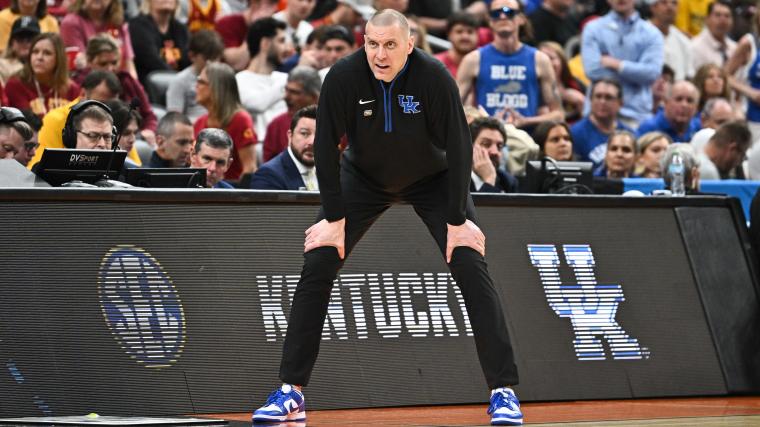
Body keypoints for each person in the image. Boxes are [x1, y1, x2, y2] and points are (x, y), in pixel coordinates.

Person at [251, 10, 522, 427]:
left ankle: (503, 391)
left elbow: (458, 144)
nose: (380, 54)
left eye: (390, 45)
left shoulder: (434, 76)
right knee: (319, 260)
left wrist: (456, 220)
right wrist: (334, 217)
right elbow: (325, 145)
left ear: (409, 45)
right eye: (373, 44)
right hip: (364, 177)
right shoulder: (344, 76)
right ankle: (291, 391)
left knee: (470, 262)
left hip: (433, 178)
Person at [457, 0, 563, 130]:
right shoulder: (473, 59)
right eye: (496, 13)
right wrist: (483, 119)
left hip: (527, 138)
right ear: (490, 20)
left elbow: (558, 114)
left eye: (509, 12)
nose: (502, 16)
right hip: (487, 137)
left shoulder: (540, 60)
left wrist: (526, 121)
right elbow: (453, 109)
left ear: (521, 19)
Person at [581, 0, 663, 128]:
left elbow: (651, 73)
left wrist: (618, 65)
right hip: (597, 115)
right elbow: (592, 70)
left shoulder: (652, 34)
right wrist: (636, 73)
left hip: (636, 115)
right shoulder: (593, 28)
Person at [27, 69, 126, 168]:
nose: (106, 110)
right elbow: (41, 167)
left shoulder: (112, 118)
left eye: (107, 137)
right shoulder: (55, 119)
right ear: (83, 94)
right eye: (92, 135)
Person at [74, 34, 158, 141]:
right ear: (89, 62)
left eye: (114, 63)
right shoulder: (80, 84)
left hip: (133, 138)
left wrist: (148, 130)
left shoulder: (127, 80)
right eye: (103, 63)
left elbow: (149, 115)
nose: (110, 68)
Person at [195, 61, 257, 181]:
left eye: (201, 81)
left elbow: (250, 168)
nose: (196, 85)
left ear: (216, 88)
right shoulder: (199, 123)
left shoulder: (241, 120)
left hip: (232, 190)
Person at [236, 17, 291, 140]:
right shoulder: (238, 80)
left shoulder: (284, 79)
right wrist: (291, 81)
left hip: (285, 145)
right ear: (265, 43)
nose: (287, 49)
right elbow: (257, 104)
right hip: (255, 146)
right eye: (281, 41)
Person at [5, 33, 80, 118]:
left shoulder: (72, 89)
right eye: (35, 52)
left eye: (47, 53)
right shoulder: (15, 85)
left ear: (59, 58)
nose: (39, 57)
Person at [60, 0, 136, 78]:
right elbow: (81, 67)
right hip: (87, 81)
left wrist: (132, 83)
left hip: (119, 81)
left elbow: (129, 66)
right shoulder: (71, 23)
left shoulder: (119, 22)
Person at [251, 104, 317, 190]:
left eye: (320, 135)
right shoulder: (268, 175)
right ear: (290, 136)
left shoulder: (330, 171)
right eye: (304, 133)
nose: (312, 142)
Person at [263, 65, 321, 162]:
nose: (286, 97)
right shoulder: (276, 125)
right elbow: (269, 164)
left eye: (294, 92)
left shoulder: (335, 124)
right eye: (286, 90)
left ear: (314, 97)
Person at [570, 78, 633, 167]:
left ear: (620, 103)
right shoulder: (575, 134)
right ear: (590, 100)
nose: (602, 102)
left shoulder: (629, 135)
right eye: (598, 96)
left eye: (608, 97)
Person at [166, 29, 224, 122]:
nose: (212, 64)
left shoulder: (224, 79)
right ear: (192, 56)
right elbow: (174, 121)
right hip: (194, 127)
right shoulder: (179, 81)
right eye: (207, 59)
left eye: (216, 58)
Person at [129, 0, 190, 85]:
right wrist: (181, 80)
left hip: (180, 85)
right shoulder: (137, 26)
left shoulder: (181, 29)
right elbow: (152, 62)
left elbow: (189, 61)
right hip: (149, 86)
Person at [214, 0, 279, 71]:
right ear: (254, 4)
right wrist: (256, 27)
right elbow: (237, 64)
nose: (275, 8)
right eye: (270, 3)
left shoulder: (272, 27)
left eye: (275, 3)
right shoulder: (226, 23)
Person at [636, 80, 700, 142]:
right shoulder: (649, 129)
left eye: (689, 101)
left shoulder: (698, 129)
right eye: (679, 99)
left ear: (696, 107)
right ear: (665, 102)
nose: (684, 105)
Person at [538, 41, 585, 123]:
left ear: (562, 61)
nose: (547, 63)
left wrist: (582, 102)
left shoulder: (576, 84)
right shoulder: (531, 87)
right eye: (543, 59)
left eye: (551, 58)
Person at [469, 116, 518, 193]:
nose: (495, 152)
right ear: (469, 147)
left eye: (499, 146)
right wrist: (489, 179)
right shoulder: (454, 180)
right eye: (486, 144)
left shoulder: (508, 182)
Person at [648, 0, 692, 81]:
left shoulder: (683, 41)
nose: (670, 7)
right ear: (653, 7)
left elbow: (689, 75)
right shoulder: (640, 34)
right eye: (664, 2)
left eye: (674, 3)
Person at [690, 0, 735, 71]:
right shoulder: (695, 47)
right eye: (718, 15)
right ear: (706, 19)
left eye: (727, 16)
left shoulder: (734, 47)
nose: (723, 20)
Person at [434, 12, 479, 79]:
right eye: (459, 31)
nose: (465, 37)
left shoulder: (485, 63)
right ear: (449, 35)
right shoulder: (436, 64)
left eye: (470, 32)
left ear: (478, 35)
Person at [0, 16, 40, 84]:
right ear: (11, 43)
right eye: (20, 37)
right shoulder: (1, 66)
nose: (25, 42)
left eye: (30, 38)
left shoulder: (48, 65)